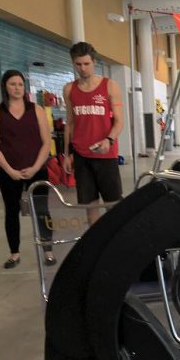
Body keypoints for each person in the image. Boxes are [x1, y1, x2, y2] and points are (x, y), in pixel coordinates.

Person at [0, 70, 56, 269]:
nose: (17, 88)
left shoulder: (36, 110)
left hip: (36, 169)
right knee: (11, 211)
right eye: (12, 84)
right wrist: (9, 170)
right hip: (9, 171)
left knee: (42, 210)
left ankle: (48, 250)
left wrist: (35, 167)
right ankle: (14, 253)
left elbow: (46, 142)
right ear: (5, 87)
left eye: (20, 84)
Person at [62, 42, 123, 226]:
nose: (83, 68)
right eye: (78, 64)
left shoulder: (109, 86)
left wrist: (109, 139)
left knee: (113, 206)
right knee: (90, 208)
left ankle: (116, 244)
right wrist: (66, 154)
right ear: (74, 63)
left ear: (94, 62)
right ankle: (95, 247)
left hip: (105, 154)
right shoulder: (69, 89)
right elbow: (70, 123)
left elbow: (119, 121)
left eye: (86, 64)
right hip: (82, 156)